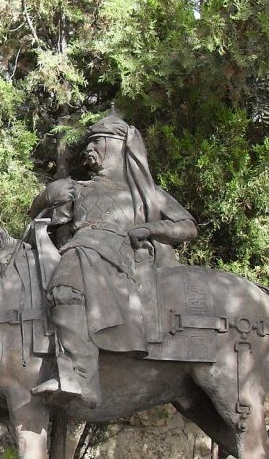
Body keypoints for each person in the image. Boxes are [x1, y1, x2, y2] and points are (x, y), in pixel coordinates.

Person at [29, 114, 197, 408]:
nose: (88, 151)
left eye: (97, 143)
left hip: (113, 252)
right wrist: (46, 196)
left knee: (64, 289)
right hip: (83, 247)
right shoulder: (77, 188)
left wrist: (150, 228)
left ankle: (81, 378)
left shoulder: (146, 194)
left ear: (117, 146)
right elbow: (38, 216)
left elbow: (187, 226)